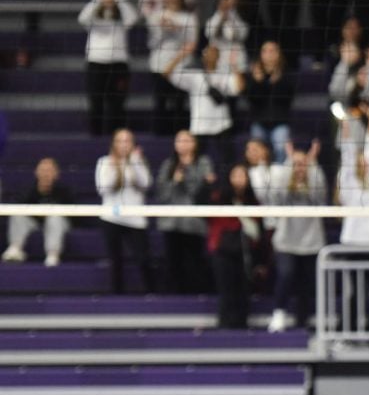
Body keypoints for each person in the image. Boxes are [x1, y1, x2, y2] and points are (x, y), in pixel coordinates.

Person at [266, 150, 327, 333]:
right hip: (286, 240)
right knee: (286, 274)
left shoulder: (314, 181)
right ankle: (279, 313)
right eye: (296, 164)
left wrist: (313, 165)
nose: (299, 168)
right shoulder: (285, 183)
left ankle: (304, 319)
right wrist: (288, 166)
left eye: (303, 164)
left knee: (307, 283)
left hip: (311, 241)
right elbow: (276, 196)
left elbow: (321, 196)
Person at [163, 43, 245, 170]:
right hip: (199, 126)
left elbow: (239, 88)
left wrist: (234, 66)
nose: (211, 55)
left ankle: (226, 187)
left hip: (222, 124)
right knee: (193, 162)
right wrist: (182, 54)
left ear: (219, 56)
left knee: (229, 163)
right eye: (208, 52)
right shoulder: (194, 76)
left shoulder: (225, 74)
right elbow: (167, 73)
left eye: (214, 52)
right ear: (203, 56)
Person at [203, 164, 263, 329]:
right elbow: (201, 206)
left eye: (242, 175)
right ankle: (224, 326)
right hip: (221, 250)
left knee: (242, 290)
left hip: (244, 252)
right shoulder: (220, 197)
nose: (238, 179)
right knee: (225, 289)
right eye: (235, 175)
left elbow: (259, 231)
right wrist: (205, 185)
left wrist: (260, 260)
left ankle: (241, 325)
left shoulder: (253, 201)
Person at [95, 129, 155, 294]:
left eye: (127, 141)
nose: (123, 144)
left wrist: (134, 162)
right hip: (111, 218)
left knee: (143, 258)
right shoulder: (104, 162)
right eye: (119, 141)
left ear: (133, 144)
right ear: (114, 144)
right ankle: (117, 296)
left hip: (136, 219)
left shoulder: (139, 161)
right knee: (115, 260)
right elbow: (103, 188)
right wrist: (117, 167)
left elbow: (146, 184)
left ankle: (150, 294)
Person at [154, 131, 214, 294]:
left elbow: (201, 193)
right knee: (173, 260)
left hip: (194, 221)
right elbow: (161, 194)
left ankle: (197, 294)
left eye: (187, 140)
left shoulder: (203, 163)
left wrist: (186, 180)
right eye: (179, 140)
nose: (183, 144)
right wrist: (174, 182)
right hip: (171, 221)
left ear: (194, 143)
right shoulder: (168, 164)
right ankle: (173, 295)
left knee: (195, 260)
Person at [79, 0, 138, 136]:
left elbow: (133, 18)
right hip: (96, 64)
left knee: (117, 104)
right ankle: (96, 136)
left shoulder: (122, 19)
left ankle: (116, 137)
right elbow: (82, 18)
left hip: (118, 66)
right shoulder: (93, 18)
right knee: (95, 103)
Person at [3, 159, 74, 267]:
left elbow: (73, 214)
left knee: (55, 218)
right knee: (18, 214)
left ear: (56, 174)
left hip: (57, 225)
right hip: (35, 223)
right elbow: (19, 204)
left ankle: (52, 254)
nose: (46, 174)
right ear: (36, 172)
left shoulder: (64, 192)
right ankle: (15, 248)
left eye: (49, 171)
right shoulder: (29, 190)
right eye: (43, 170)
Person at [146, 0, 197, 135]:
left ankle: (179, 136)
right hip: (158, 66)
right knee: (160, 102)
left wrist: (177, 28)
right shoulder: (156, 16)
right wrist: (162, 28)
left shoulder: (189, 18)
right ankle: (159, 136)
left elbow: (191, 44)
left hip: (181, 67)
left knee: (179, 103)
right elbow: (152, 41)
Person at [245, 41, 296, 164]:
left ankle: (279, 179)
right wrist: (259, 82)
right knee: (255, 152)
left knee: (280, 149)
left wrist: (277, 81)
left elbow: (287, 97)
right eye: (265, 51)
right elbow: (251, 98)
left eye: (272, 51)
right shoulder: (254, 74)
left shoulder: (287, 73)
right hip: (259, 122)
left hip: (280, 122)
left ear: (279, 54)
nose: (269, 54)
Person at [204, 0, 250, 75]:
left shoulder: (241, 16)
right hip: (216, 61)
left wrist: (228, 17)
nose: (227, 2)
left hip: (235, 59)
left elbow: (236, 35)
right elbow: (208, 33)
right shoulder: (213, 16)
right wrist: (221, 16)